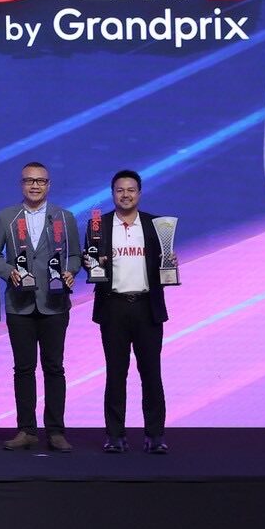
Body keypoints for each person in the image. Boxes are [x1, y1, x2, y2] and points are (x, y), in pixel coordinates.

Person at [0, 162, 82, 452]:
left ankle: (55, 431)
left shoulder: (64, 217)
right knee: (23, 368)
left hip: (55, 303)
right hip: (19, 304)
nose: (35, 185)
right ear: (21, 184)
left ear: (48, 185)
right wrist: (8, 271)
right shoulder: (7, 217)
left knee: (54, 367)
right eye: (29, 181)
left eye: (40, 181)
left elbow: (75, 254)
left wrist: (70, 270)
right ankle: (26, 430)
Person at [91, 169, 176, 454]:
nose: (125, 195)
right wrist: (92, 262)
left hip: (146, 308)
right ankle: (115, 436)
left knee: (151, 374)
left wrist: (170, 264)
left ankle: (155, 436)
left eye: (130, 190)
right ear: (112, 193)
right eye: (120, 190)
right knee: (115, 374)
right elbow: (91, 263)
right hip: (113, 307)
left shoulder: (156, 225)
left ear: (139, 193)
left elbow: (165, 264)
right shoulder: (98, 225)